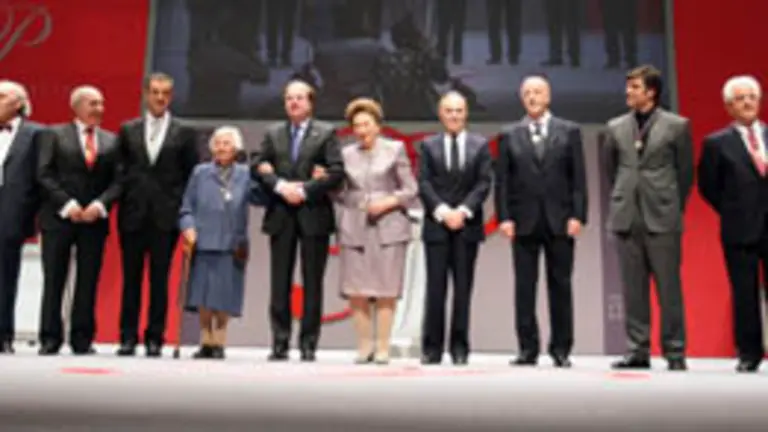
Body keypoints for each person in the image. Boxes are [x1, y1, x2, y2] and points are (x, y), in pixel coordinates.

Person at [601, 65, 694, 371]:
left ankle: (675, 350)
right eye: (628, 87)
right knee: (633, 289)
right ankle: (637, 350)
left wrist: (671, 204)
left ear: (651, 92)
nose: (628, 92)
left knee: (669, 288)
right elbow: (611, 170)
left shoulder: (676, 126)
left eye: (635, 88)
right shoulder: (615, 127)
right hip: (627, 215)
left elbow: (685, 173)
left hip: (662, 215)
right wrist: (625, 196)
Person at [495, 76, 587, 368]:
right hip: (523, 221)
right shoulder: (509, 134)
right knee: (524, 288)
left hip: (560, 220)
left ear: (548, 96)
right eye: (527, 93)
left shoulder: (569, 131)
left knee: (560, 285)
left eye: (538, 92)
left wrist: (578, 215)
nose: (532, 97)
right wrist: (504, 217)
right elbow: (503, 182)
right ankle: (527, 349)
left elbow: (578, 179)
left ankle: (561, 349)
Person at [253, 80, 344, 362]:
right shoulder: (273, 133)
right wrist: (280, 186)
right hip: (281, 214)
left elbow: (336, 171)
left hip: (313, 214)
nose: (293, 102)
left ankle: (308, 343)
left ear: (310, 103)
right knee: (279, 282)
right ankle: (279, 342)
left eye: (299, 98)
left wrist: (304, 190)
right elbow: (257, 164)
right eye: (289, 98)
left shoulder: (326, 133)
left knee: (312, 282)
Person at [116, 72, 199, 357]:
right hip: (133, 215)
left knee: (160, 280)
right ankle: (127, 337)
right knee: (131, 279)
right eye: (155, 92)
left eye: (165, 93)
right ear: (145, 94)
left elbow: (191, 177)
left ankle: (155, 337)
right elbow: (120, 173)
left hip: (166, 217)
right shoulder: (128, 130)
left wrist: (185, 215)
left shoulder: (184, 132)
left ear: (171, 96)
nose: (160, 98)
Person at [330, 98, 417, 364]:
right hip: (354, 224)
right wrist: (329, 184)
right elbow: (339, 191)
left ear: (378, 126)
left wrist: (387, 202)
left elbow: (410, 189)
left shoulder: (395, 149)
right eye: (357, 126)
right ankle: (364, 346)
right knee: (356, 289)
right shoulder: (346, 154)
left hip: (389, 226)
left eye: (367, 124)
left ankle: (383, 347)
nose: (362, 130)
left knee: (385, 289)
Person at [36, 86, 122, 355]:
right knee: (54, 279)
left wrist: (100, 205)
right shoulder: (53, 135)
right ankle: (50, 337)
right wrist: (67, 204)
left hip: (94, 222)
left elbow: (119, 180)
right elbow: (44, 174)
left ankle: (82, 338)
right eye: (93, 103)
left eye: (101, 103)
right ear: (77, 107)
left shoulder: (112, 141)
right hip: (58, 219)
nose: (99, 109)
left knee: (88, 280)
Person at [698, 76, 768, 373]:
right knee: (744, 293)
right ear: (728, 106)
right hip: (739, 228)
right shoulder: (716, 143)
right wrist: (732, 210)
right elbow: (708, 186)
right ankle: (749, 353)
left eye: (752, 96)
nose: (748, 102)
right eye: (740, 98)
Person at [179, 126, 267, 360]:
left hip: (232, 243)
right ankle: (206, 340)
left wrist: (263, 176)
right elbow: (186, 207)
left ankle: (219, 340)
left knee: (224, 295)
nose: (221, 148)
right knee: (203, 295)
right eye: (217, 143)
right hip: (203, 240)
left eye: (226, 143)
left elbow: (261, 198)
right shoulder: (200, 172)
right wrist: (188, 227)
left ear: (236, 148)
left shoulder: (245, 174)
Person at [418, 91, 492, 365]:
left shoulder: (480, 145)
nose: (454, 115)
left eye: (459, 111)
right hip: (437, 227)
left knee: (463, 290)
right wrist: (442, 211)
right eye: (449, 111)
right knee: (435, 290)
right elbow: (424, 183)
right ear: (441, 114)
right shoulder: (428, 146)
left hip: (467, 227)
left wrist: (462, 211)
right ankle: (432, 348)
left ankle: (460, 347)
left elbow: (483, 183)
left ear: (466, 113)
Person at [0, 80, 43, 354]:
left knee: (5, 275)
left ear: (18, 103)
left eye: (1, 97)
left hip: (11, 212)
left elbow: (41, 176)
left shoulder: (36, 134)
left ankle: (3, 332)